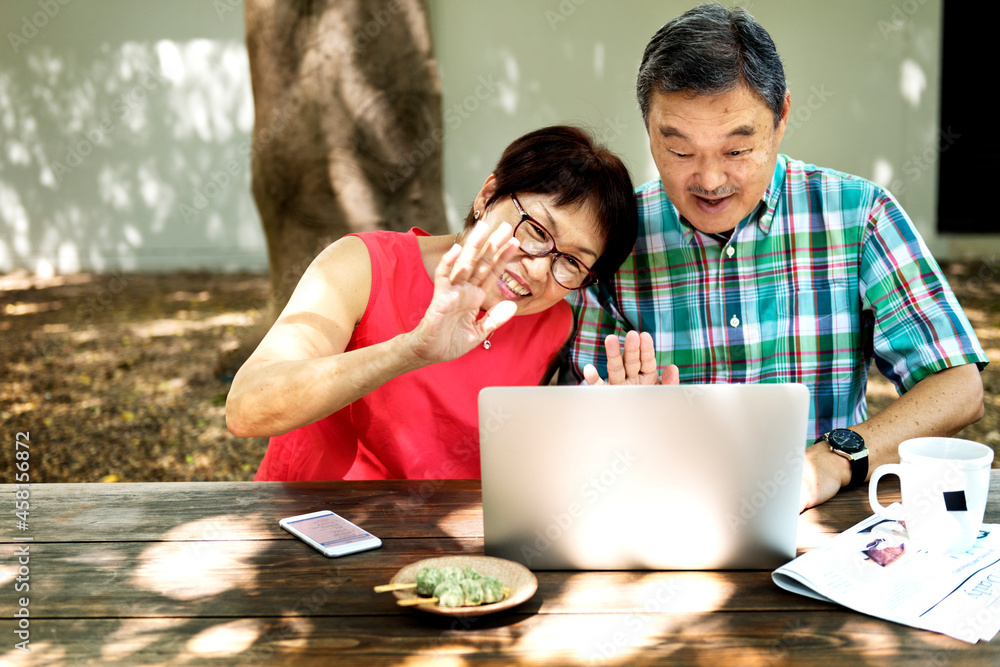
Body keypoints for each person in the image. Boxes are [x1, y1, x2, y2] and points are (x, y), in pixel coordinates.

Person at [566, 4, 988, 509]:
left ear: (782, 117)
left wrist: (834, 461)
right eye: (680, 152)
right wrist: (617, 424)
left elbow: (959, 386)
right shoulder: (613, 238)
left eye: (737, 151)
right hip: (662, 513)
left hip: (824, 526)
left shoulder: (857, 215)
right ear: (649, 129)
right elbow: (572, 422)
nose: (710, 180)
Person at [227, 125, 638, 481]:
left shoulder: (554, 324)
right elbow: (247, 409)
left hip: (445, 552)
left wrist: (613, 431)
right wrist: (411, 350)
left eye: (571, 262)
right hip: (308, 530)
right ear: (487, 195)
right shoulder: (362, 266)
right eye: (535, 231)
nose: (536, 269)